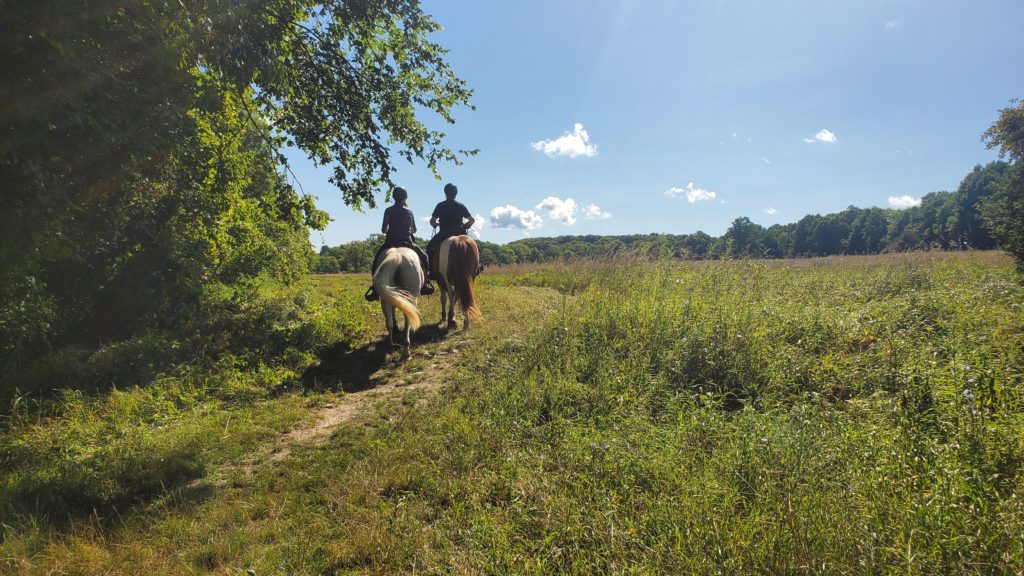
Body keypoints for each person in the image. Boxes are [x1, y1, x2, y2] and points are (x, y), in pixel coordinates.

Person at [365, 187, 434, 301]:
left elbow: (383, 229)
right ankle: (425, 284)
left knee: (375, 263)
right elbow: (414, 230)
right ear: (405, 198)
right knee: (425, 258)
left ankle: (375, 289)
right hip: (407, 242)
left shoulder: (388, 210)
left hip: (390, 242)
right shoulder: (409, 211)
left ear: (393, 198)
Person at [426, 183, 476, 270]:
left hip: (444, 234)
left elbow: (432, 221)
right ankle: (476, 267)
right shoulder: (461, 206)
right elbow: (472, 220)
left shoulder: (440, 205)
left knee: (429, 247)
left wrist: (435, 224)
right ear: (456, 194)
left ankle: (430, 270)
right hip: (459, 233)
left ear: (445, 193)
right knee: (472, 248)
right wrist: (465, 226)